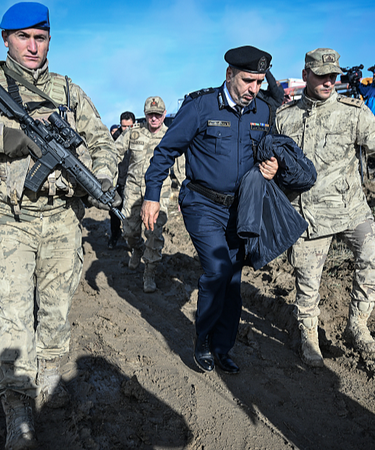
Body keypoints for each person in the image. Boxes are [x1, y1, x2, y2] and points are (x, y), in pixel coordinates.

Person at [0, 3, 118, 448]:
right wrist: (2, 137)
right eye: (23, 36)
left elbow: (101, 141)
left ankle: (49, 374)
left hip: (61, 218)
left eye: (41, 37)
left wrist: (102, 177)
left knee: (56, 308)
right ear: (6, 39)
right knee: (14, 314)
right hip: (8, 217)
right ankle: (17, 406)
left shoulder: (68, 91)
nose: (33, 46)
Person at [275, 48, 375, 366]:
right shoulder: (285, 119)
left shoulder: (354, 112)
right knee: (307, 281)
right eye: (321, 75)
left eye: (333, 75)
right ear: (306, 75)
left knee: (372, 259)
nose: (328, 80)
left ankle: (358, 326)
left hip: (351, 208)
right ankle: (309, 338)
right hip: (309, 214)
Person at [142, 45, 279, 375]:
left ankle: (222, 347)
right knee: (218, 270)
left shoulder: (263, 112)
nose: (254, 89)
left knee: (232, 280)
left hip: (240, 210)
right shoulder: (201, 107)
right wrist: (152, 194)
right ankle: (202, 339)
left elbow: (271, 150)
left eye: (260, 82)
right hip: (202, 204)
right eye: (248, 81)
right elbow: (165, 152)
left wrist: (272, 166)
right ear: (229, 74)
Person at [117, 96, 175, 292]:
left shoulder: (172, 136)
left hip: (159, 193)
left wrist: (184, 190)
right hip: (133, 190)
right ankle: (136, 248)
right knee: (128, 230)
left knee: (154, 234)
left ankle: (149, 273)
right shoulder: (133, 134)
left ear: (164, 115)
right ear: (145, 115)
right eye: (151, 115)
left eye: (158, 115)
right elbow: (115, 151)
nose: (154, 119)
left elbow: (182, 166)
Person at [108, 110, 136, 249]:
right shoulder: (115, 139)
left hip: (132, 182)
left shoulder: (138, 138)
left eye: (129, 126)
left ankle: (130, 239)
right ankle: (114, 235)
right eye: (123, 126)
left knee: (130, 213)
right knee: (114, 212)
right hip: (117, 182)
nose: (126, 130)